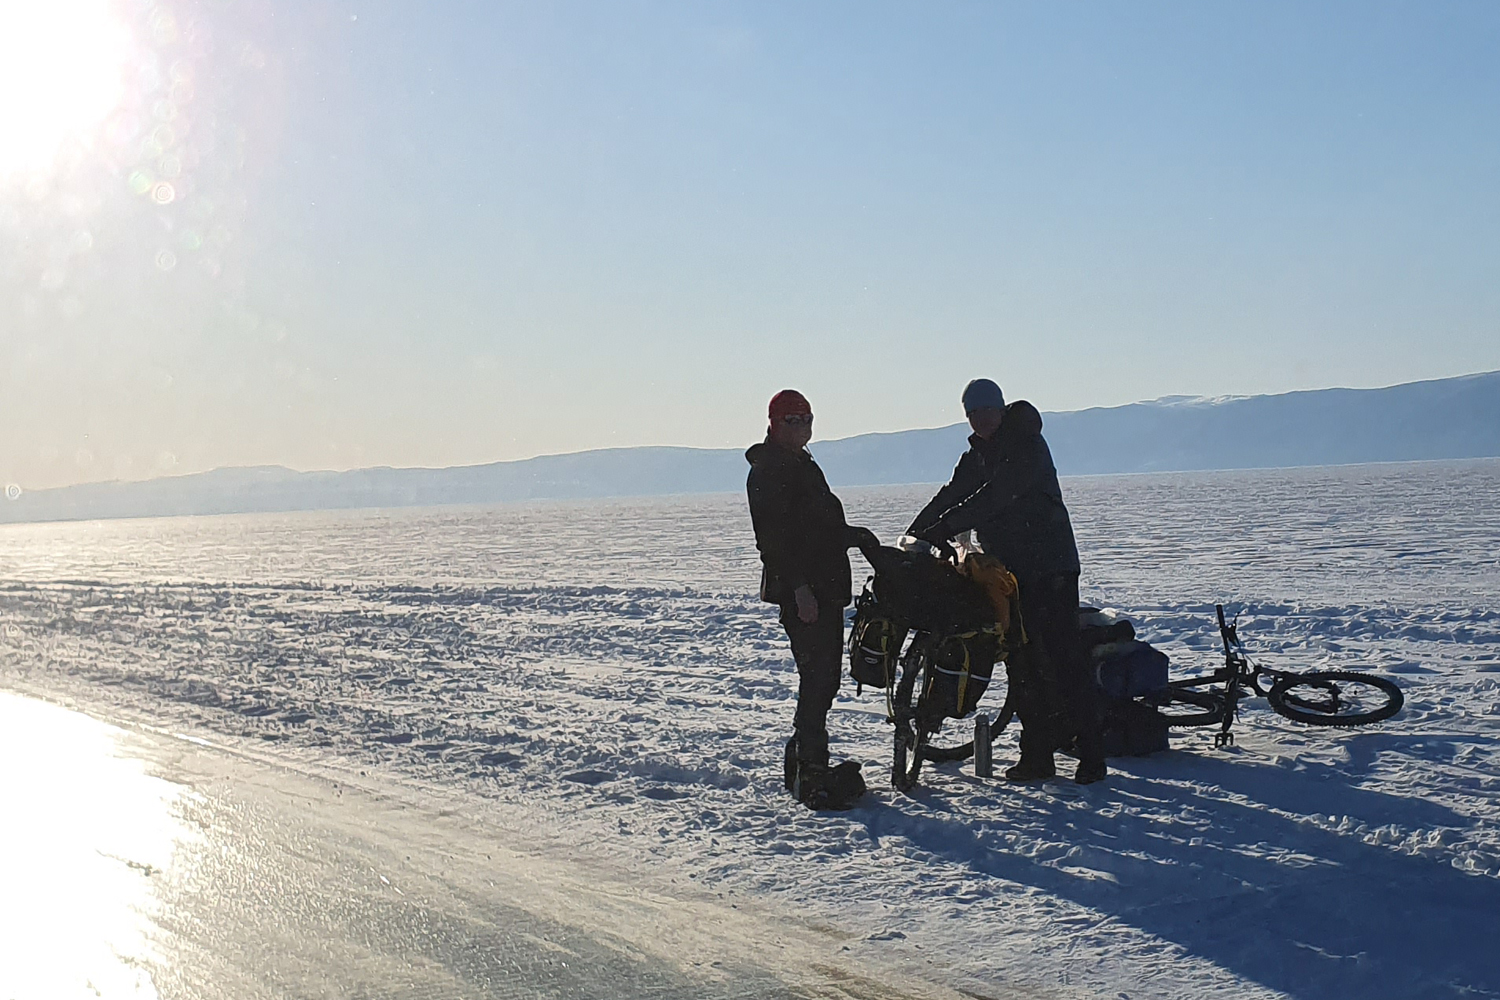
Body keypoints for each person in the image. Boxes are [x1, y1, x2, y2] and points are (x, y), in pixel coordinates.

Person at [907, 378, 1106, 785]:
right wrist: (916, 534)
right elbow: (954, 492)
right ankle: (1037, 756)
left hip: (1049, 569)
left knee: (1063, 658)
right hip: (1007, 574)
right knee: (1022, 662)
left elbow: (995, 498)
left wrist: (945, 528)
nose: (979, 420)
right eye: (972, 414)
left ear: (1000, 409)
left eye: (985, 411)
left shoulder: (1026, 445)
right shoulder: (978, 454)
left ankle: (1092, 753)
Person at [745, 389, 874, 806]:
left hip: (827, 585)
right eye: (791, 420)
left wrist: (859, 539)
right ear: (774, 423)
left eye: (806, 419)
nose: (801, 427)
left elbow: (821, 525)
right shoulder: (767, 471)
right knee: (817, 678)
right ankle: (810, 767)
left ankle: (805, 759)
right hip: (805, 592)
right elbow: (774, 542)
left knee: (825, 678)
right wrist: (799, 590)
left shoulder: (802, 464)